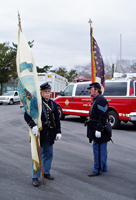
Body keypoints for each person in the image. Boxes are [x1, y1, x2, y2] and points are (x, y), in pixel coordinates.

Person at [24, 82, 61, 187]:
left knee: (48, 154)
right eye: (45, 91)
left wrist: (58, 131)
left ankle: (46, 172)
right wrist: (33, 125)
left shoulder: (53, 104)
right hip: (39, 133)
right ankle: (35, 177)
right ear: (41, 92)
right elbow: (27, 116)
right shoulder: (36, 103)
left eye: (49, 91)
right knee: (38, 155)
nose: (48, 93)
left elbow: (57, 119)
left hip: (50, 133)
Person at [85, 82, 110, 176]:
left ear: (96, 90)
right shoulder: (96, 99)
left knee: (98, 149)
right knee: (101, 148)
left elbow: (103, 117)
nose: (89, 91)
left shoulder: (101, 100)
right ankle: (103, 166)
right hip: (95, 127)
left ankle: (97, 169)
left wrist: (99, 129)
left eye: (91, 89)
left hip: (99, 129)